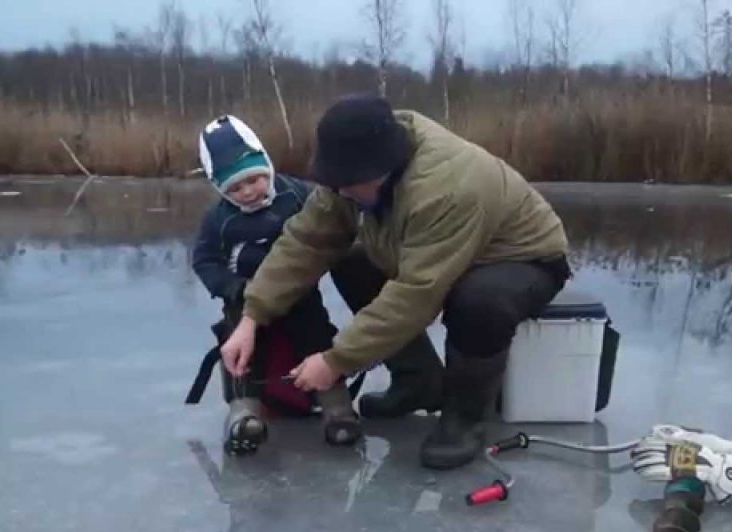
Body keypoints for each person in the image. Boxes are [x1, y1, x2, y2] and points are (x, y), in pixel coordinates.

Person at [220, 94, 572, 470]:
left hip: (521, 258)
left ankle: (465, 417)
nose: (339, 192)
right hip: (431, 249)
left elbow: (416, 295)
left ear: (382, 170)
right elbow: (307, 240)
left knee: (478, 303)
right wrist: (252, 317)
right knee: (352, 261)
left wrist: (336, 361)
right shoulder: (354, 167)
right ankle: (417, 381)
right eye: (334, 182)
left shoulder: (446, 187)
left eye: (348, 184)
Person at [190, 114, 362, 455]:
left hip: (299, 293)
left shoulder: (299, 195)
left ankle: (337, 408)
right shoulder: (219, 220)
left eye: (253, 179)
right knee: (239, 350)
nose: (248, 192)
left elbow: (335, 223)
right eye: (235, 188)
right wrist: (229, 286)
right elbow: (205, 260)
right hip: (243, 298)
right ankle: (244, 414)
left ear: (266, 165)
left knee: (316, 336)